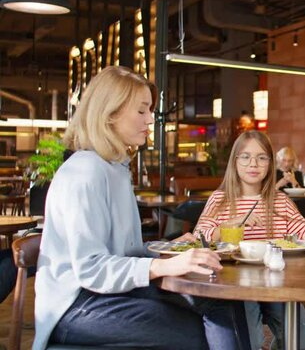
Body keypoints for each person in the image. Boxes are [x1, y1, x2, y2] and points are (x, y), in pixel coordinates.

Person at [34, 66, 251, 350]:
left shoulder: (114, 168)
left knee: (223, 299)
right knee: (194, 334)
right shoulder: (85, 172)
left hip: (107, 293)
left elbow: (123, 251)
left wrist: (169, 247)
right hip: (75, 306)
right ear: (110, 114)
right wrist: (165, 264)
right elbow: (91, 269)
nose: (151, 119)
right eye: (142, 110)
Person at [194, 131, 305, 350]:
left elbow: (301, 227)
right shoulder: (220, 199)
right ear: (235, 161)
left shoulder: (280, 200)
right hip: (237, 286)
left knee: (303, 337)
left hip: (277, 283)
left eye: (262, 157)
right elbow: (199, 236)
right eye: (245, 157)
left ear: (271, 164)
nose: (254, 163)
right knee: (249, 340)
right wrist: (231, 224)